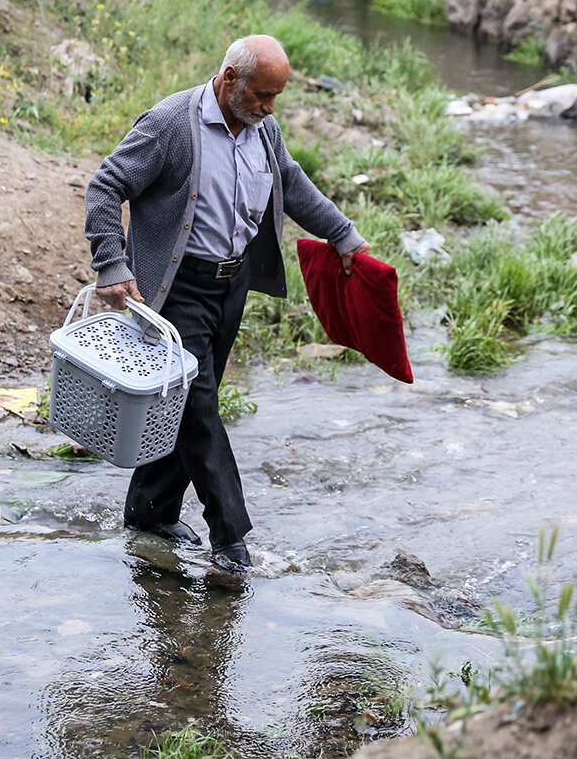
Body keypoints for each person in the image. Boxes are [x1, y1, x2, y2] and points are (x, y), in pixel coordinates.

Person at [84, 34, 370, 571]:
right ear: (230, 79)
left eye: (276, 97)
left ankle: (149, 513)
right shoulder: (171, 124)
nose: (268, 107)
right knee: (199, 406)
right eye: (262, 95)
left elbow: (292, 181)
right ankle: (231, 537)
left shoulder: (264, 129)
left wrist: (343, 234)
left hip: (230, 284)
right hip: (177, 286)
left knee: (184, 406)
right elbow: (105, 186)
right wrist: (110, 261)